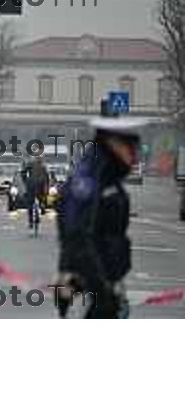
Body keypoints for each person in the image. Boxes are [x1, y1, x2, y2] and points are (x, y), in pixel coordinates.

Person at [55, 117, 144, 319]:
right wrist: (99, 288)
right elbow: (77, 238)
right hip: (91, 289)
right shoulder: (90, 180)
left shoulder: (107, 176)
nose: (134, 156)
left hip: (103, 285)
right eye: (129, 147)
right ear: (112, 143)